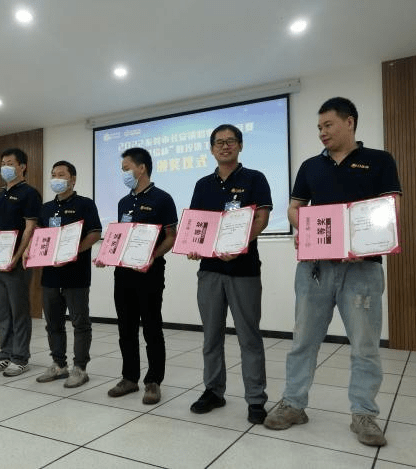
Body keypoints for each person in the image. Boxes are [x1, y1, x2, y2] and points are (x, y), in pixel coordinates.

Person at [263, 97, 402, 447]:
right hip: (315, 268)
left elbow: (391, 208)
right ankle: (293, 404)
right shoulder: (311, 166)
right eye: (319, 127)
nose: (322, 132)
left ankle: (364, 414)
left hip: (363, 269)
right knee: (303, 341)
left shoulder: (379, 160)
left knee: (365, 346)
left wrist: (364, 243)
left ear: (349, 122)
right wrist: (305, 228)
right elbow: (295, 208)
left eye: (328, 125)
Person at [187, 124, 272, 424]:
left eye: (231, 141)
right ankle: (213, 391)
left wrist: (239, 245)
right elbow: (197, 224)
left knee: (249, 337)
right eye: (219, 142)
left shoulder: (255, 179)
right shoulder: (202, 185)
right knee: (211, 336)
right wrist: (194, 246)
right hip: (210, 271)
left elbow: (261, 218)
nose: (225, 146)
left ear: (240, 145)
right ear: (212, 149)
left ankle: (256, 399)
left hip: (244, 270)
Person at [96, 147, 178, 405]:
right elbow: (120, 238)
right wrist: (106, 255)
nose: (123, 173)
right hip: (123, 274)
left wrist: (152, 256)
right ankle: (129, 377)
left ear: (141, 168)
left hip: (149, 272)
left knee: (152, 327)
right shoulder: (123, 202)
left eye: (126, 168)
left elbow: (171, 237)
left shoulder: (163, 198)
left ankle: (153, 381)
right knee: (126, 327)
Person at [25, 160, 102, 388]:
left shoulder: (85, 204)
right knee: (53, 323)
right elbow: (39, 235)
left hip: (76, 275)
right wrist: (31, 251)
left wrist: (73, 252)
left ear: (73, 179)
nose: (56, 179)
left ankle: (80, 368)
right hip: (50, 276)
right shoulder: (45, 208)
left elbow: (95, 233)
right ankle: (59, 365)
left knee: (80, 323)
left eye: (61, 175)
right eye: (53, 175)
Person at [0, 148, 42, 377]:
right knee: (1, 312)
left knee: (19, 311)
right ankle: (4, 355)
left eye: (9, 163)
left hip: (15, 264)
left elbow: (30, 228)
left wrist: (16, 257)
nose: (5, 167)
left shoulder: (30, 193)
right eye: (3, 163)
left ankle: (20, 357)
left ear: (22, 166)